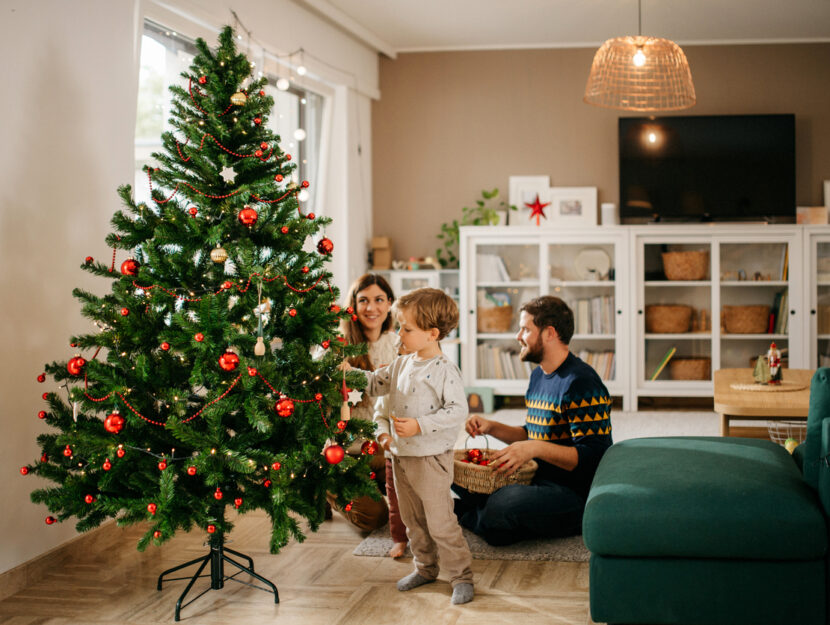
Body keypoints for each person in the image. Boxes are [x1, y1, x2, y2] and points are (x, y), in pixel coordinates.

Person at [341, 287, 474, 605]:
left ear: (432, 334)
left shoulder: (444, 370)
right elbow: (375, 385)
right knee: (412, 520)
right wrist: (349, 374)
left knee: (440, 522)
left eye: (407, 328)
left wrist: (420, 425)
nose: (399, 332)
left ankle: (461, 576)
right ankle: (426, 568)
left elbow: (457, 411)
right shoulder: (401, 364)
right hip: (400, 457)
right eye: (400, 325)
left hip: (430, 459)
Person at [452, 295, 613, 546]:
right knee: (453, 471)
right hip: (536, 478)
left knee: (504, 504)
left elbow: (594, 457)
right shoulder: (539, 375)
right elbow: (536, 432)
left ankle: (463, 513)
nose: (518, 336)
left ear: (549, 333)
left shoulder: (581, 382)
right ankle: (487, 514)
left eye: (525, 329)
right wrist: (492, 427)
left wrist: (534, 448)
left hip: (573, 494)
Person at [328, 273, 403, 548]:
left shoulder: (400, 346)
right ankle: (326, 488)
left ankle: (373, 483)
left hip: (385, 447)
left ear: (390, 303)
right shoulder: (336, 347)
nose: (372, 308)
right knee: (374, 517)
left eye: (379, 300)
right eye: (363, 301)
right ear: (354, 306)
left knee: (415, 508)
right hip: (345, 451)